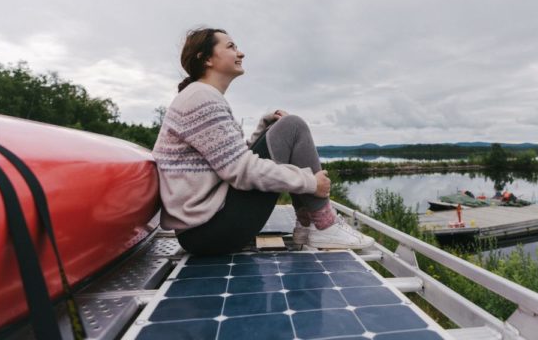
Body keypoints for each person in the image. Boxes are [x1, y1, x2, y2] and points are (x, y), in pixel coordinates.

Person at [152, 27, 373, 255]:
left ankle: (308, 225)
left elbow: (230, 162)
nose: (241, 53)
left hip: (202, 230)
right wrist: (310, 182)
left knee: (285, 128)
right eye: (231, 47)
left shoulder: (199, 95)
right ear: (206, 58)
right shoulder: (201, 97)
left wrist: (263, 130)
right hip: (210, 231)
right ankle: (323, 224)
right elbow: (241, 171)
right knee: (293, 126)